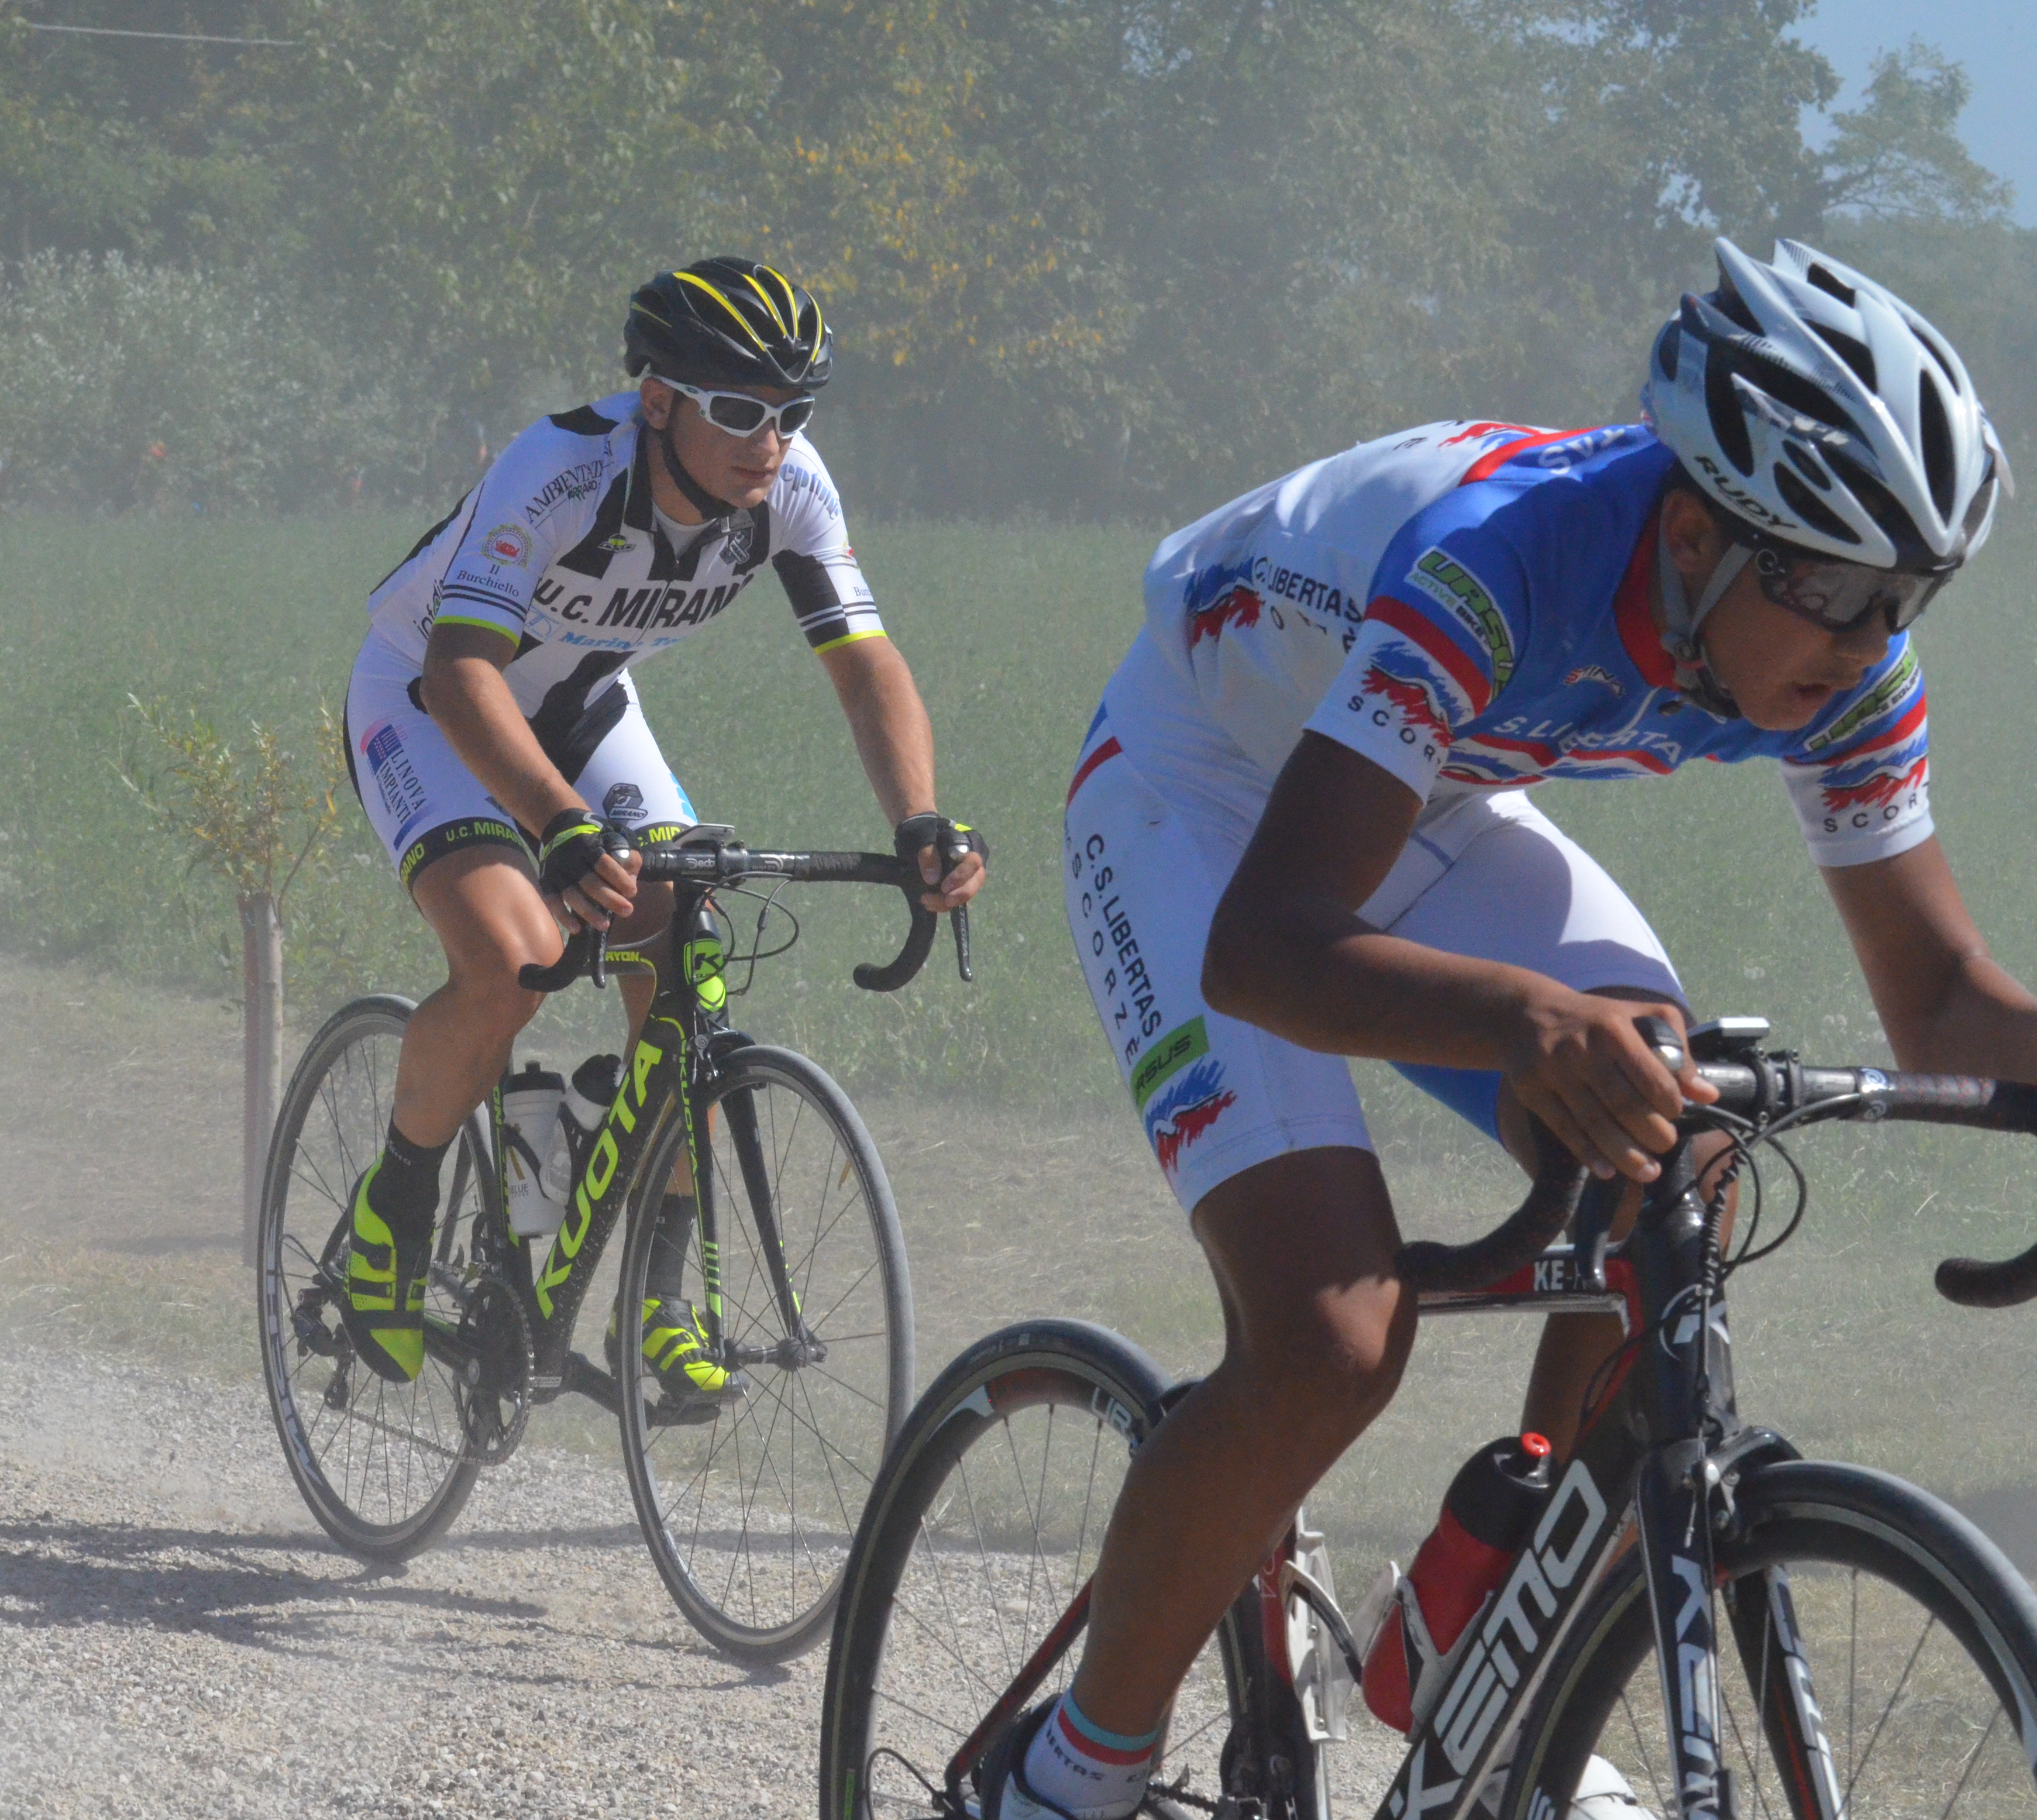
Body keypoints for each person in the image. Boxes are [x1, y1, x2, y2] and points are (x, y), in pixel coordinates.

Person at [999, 238, 2026, 1820]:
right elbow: (1265, 950)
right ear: (1698, 536)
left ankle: (1478, 1650)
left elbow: (1941, 998)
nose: (1867, 637)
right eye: (1833, 588)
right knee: (1331, 1337)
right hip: (1196, 795)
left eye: (1905, 597)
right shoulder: (1501, 560)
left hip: (1422, 797)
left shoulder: (1846, 671)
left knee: (1680, 1138)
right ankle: (1071, 1773)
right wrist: (1525, 1021)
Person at [342, 257, 987, 1398]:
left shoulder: (791, 490)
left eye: (791, 413)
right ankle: (394, 1206)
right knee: (514, 959)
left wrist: (920, 820)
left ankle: (659, 1292)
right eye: (737, 410)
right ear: (657, 400)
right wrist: (560, 826)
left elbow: (864, 666)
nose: (767, 442)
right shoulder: (559, 471)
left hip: (584, 704)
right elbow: (459, 673)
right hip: (430, 697)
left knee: (684, 945)